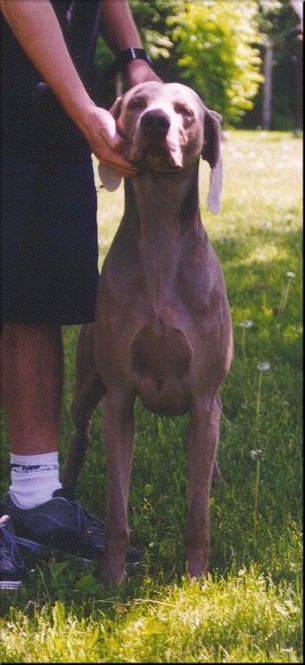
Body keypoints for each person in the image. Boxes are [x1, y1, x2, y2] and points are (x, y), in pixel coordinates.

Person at [0, 0, 159, 591]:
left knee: (33, 297)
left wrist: (132, 55)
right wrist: (81, 107)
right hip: (48, 92)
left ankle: (36, 496)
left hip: (49, 106)